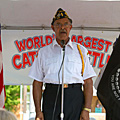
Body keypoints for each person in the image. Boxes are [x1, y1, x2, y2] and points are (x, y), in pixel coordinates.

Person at [29, 8, 96, 120]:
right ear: (53, 28)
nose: (62, 27)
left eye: (66, 24)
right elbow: (37, 83)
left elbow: (88, 82)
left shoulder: (81, 50)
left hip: (74, 97)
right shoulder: (44, 52)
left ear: (70, 27)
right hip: (51, 95)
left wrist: (87, 109)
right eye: (58, 24)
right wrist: (38, 111)